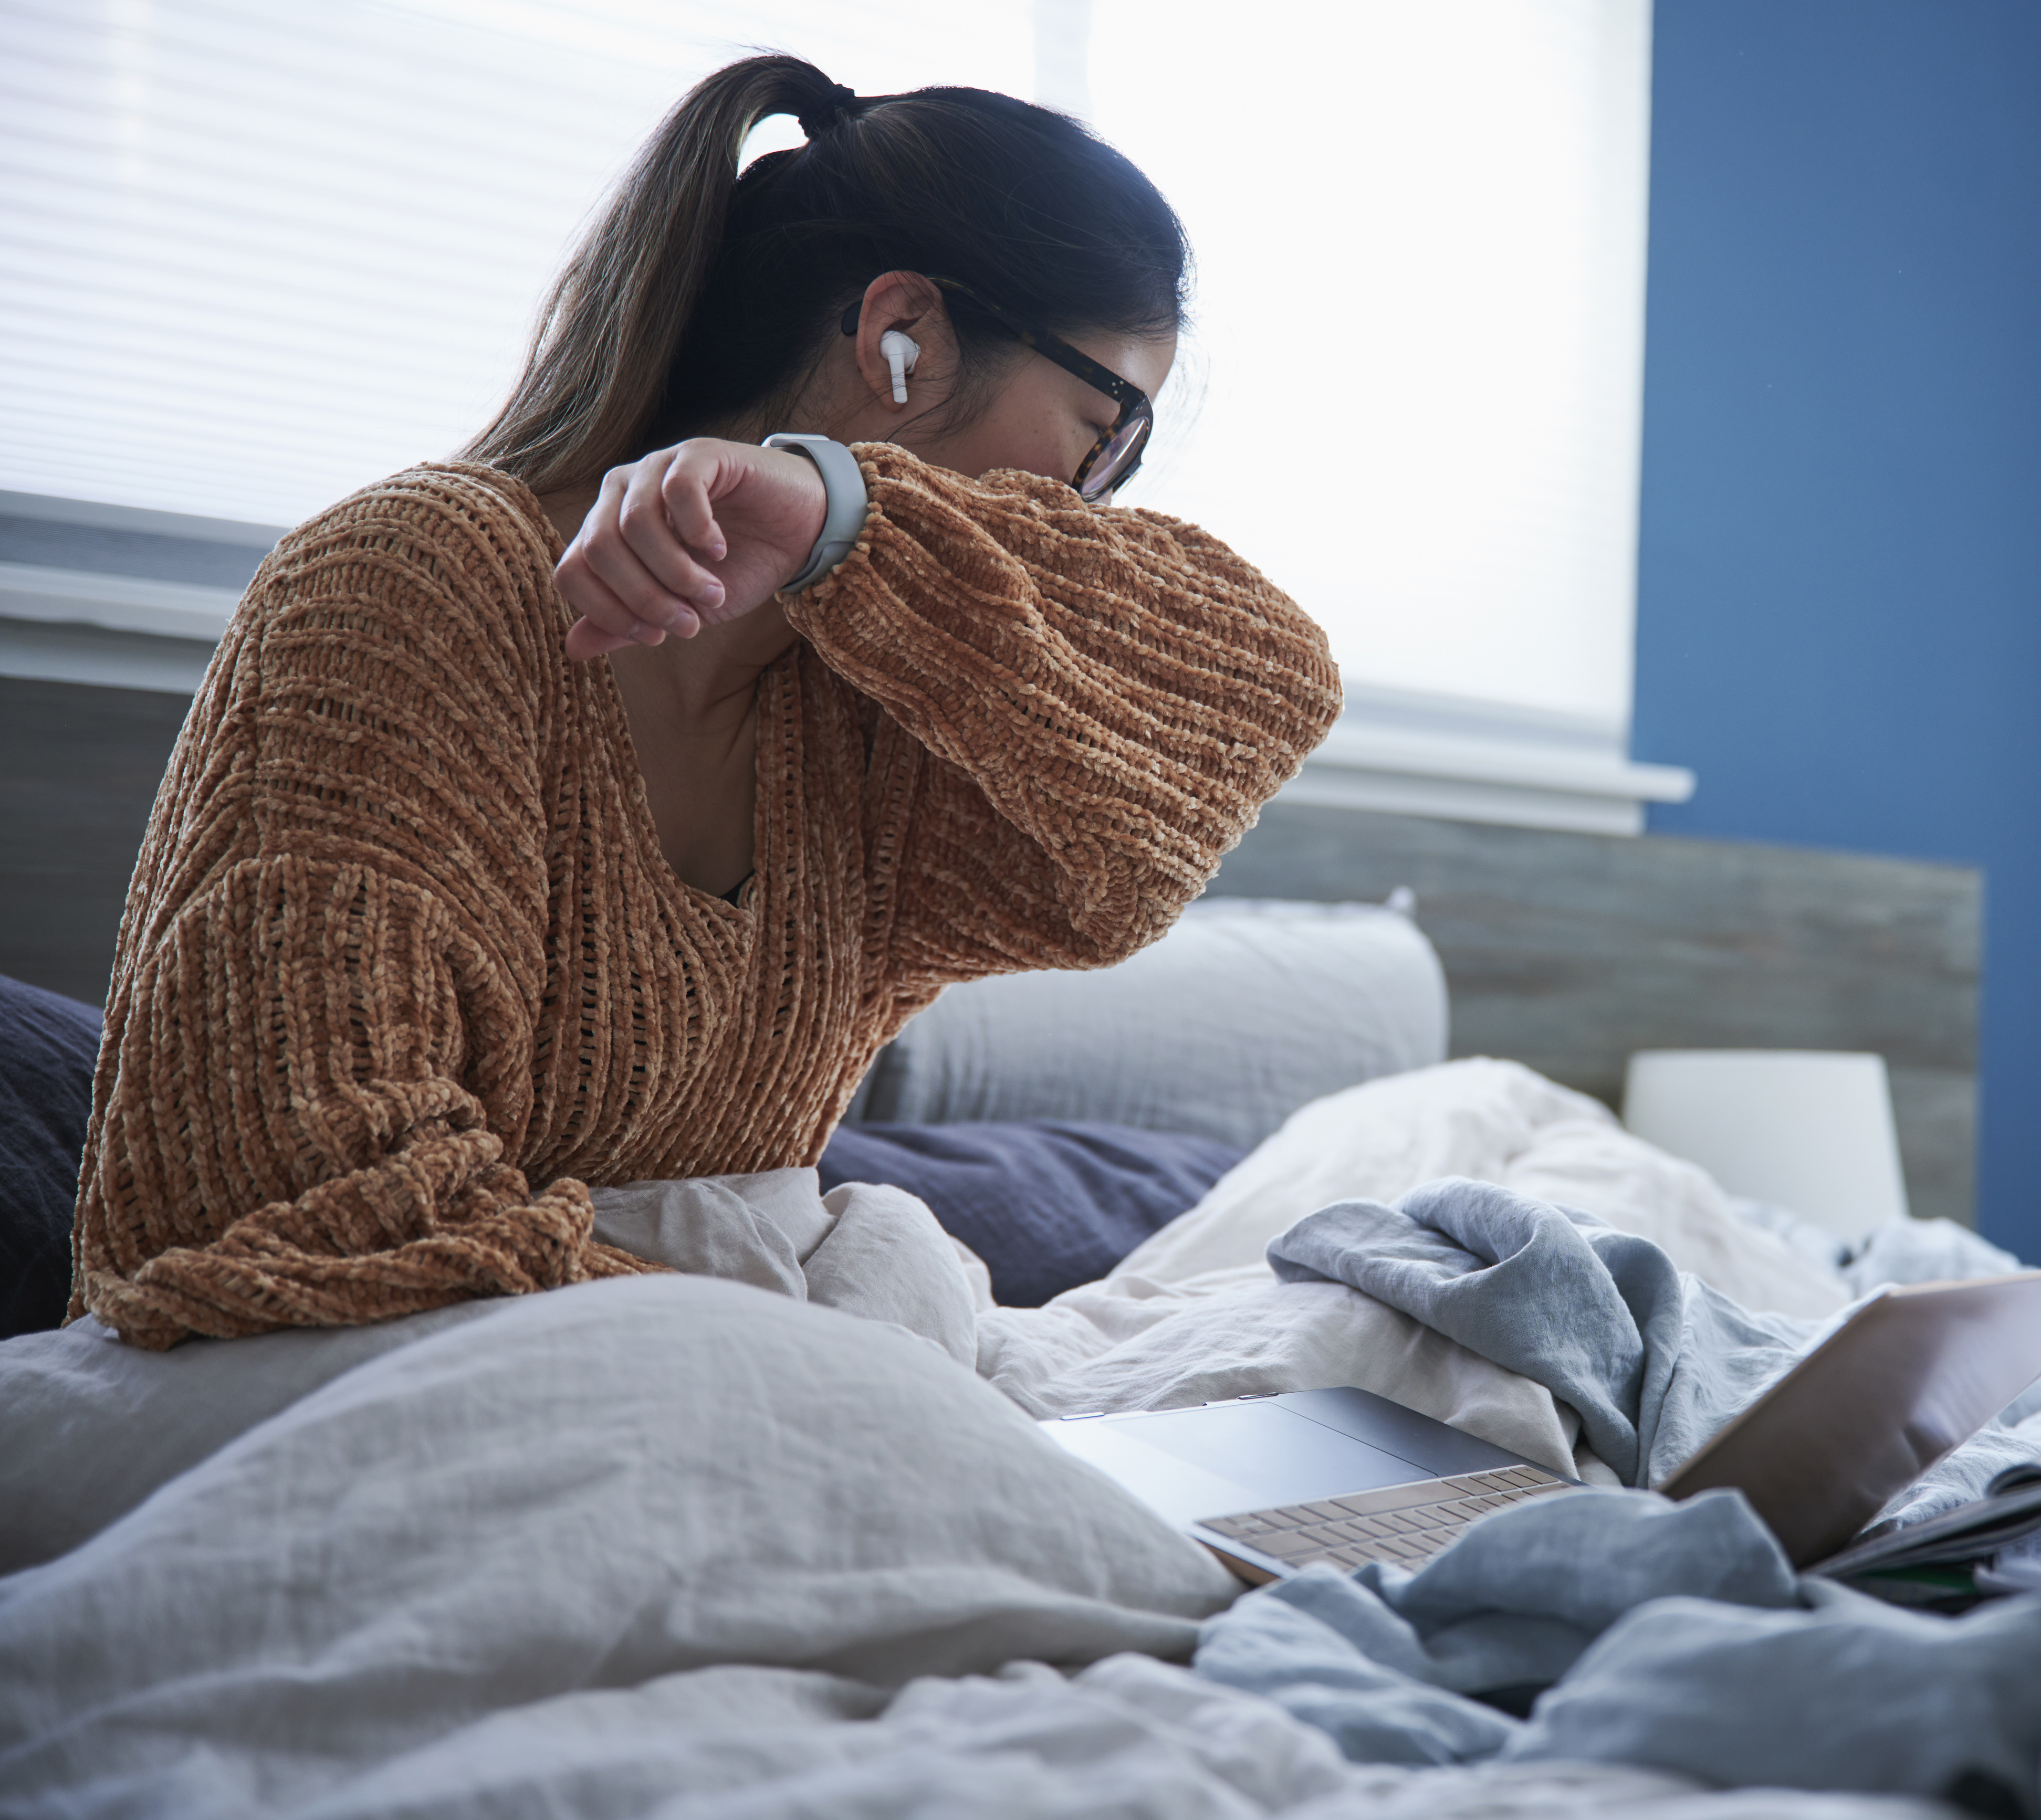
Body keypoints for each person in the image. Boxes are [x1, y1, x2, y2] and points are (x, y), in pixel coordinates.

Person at [69, 56, 1341, 1350]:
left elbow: (1262, 692)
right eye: (1103, 429)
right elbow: (289, 1206)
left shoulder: (866, 730)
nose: (1090, 506)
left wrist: (844, 513)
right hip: (346, 1388)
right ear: (902, 334)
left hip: (684, 1378)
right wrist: (781, 1352)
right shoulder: (416, 576)